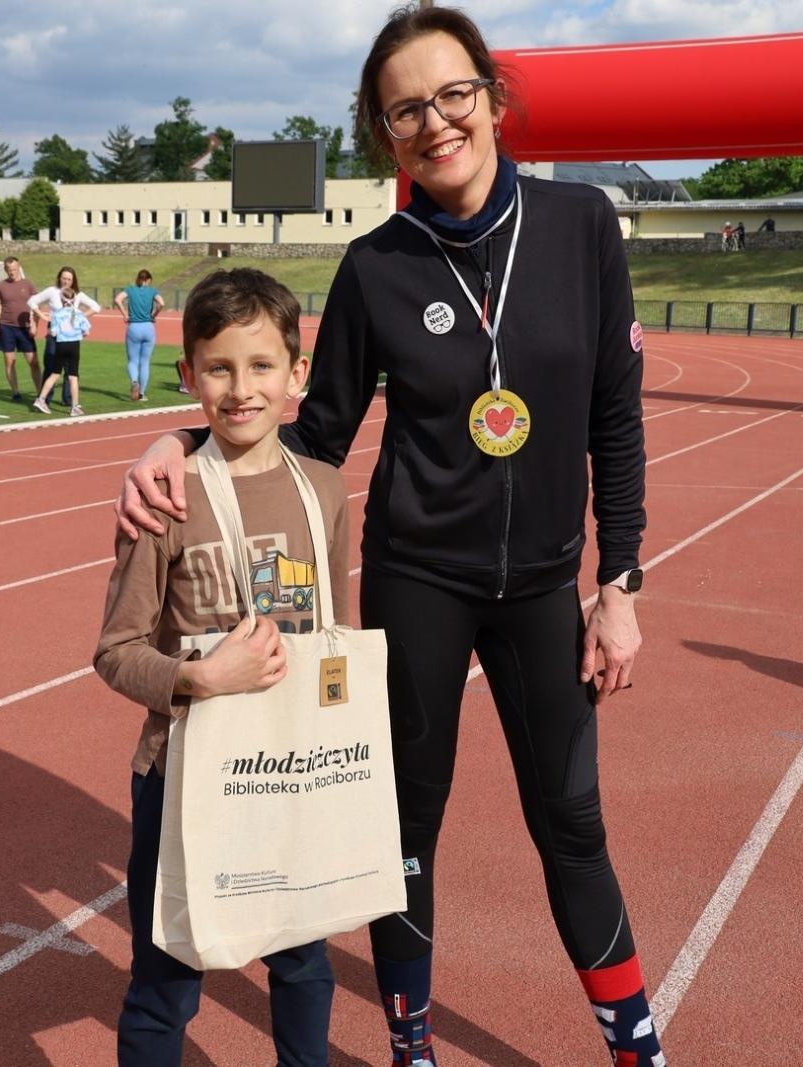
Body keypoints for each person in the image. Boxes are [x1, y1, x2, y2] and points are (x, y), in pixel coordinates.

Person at [116, 7, 661, 1066]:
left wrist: (621, 580)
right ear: (385, 132)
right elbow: (311, 429)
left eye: (452, 94)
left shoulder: (582, 224)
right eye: (404, 108)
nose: (434, 121)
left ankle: (634, 1045)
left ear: (492, 98)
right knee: (402, 833)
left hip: (544, 586)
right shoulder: (375, 265)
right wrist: (180, 440)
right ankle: (409, 1044)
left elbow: (615, 417)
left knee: (574, 826)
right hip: (416, 583)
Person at [94, 267, 346, 1066]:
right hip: (182, 778)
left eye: (261, 365)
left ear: (297, 374)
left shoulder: (328, 493)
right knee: (167, 979)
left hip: (293, 772)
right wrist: (198, 679)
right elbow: (115, 651)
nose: (241, 389)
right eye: (219, 368)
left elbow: (338, 632)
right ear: (189, 377)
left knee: (303, 963)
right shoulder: (162, 498)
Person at [28, 265, 101, 407]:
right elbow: (32, 301)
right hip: (55, 333)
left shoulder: (77, 294)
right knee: (50, 365)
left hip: (70, 335)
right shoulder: (52, 291)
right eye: (64, 278)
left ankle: (68, 399)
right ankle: (45, 399)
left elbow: (96, 307)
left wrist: (78, 317)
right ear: (59, 278)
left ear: (73, 281)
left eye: (69, 279)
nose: (66, 281)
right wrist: (42, 315)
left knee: (70, 369)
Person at [0, 256, 40, 403]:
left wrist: (35, 324)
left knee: (33, 362)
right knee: (9, 361)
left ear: (19, 268)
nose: (12, 272)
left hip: (25, 328)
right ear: (5, 270)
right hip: (6, 327)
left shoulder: (28, 284)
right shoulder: (1, 286)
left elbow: (37, 306)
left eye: (15, 269)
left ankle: (40, 393)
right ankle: (16, 392)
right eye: (9, 270)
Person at [32, 299, 92, 416]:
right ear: (74, 300)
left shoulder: (56, 314)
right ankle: (74, 407)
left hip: (61, 345)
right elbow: (86, 332)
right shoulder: (78, 313)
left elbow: (53, 332)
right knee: (73, 377)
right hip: (74, 346)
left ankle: (41, 399)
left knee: (54, 374)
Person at [114, 268, 165, 401]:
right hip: (148, 327)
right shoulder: (152, 291)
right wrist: (154, 315)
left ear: (138, 278)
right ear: (148, 280)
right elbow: (161, 303)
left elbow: (118, 299)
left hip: (134, 327)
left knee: (132, 360)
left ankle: (134, 381)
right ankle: (141, 393)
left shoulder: (130, 289)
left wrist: (125, 315)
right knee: (145, 362)